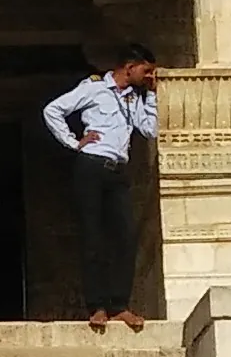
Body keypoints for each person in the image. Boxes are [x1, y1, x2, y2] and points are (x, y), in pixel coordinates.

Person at [41, 48, 161, 330]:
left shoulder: (134, 97)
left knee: (126, 236)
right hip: (91, 166)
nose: (149, 76)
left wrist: (152, 96)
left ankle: (120, 305)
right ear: (129, 67)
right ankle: (97, 306)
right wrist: (73, 142)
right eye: (146, 71)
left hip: (118, 170)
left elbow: (149, 129)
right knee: (93, 236)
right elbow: (53, 110)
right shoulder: (93, 89)